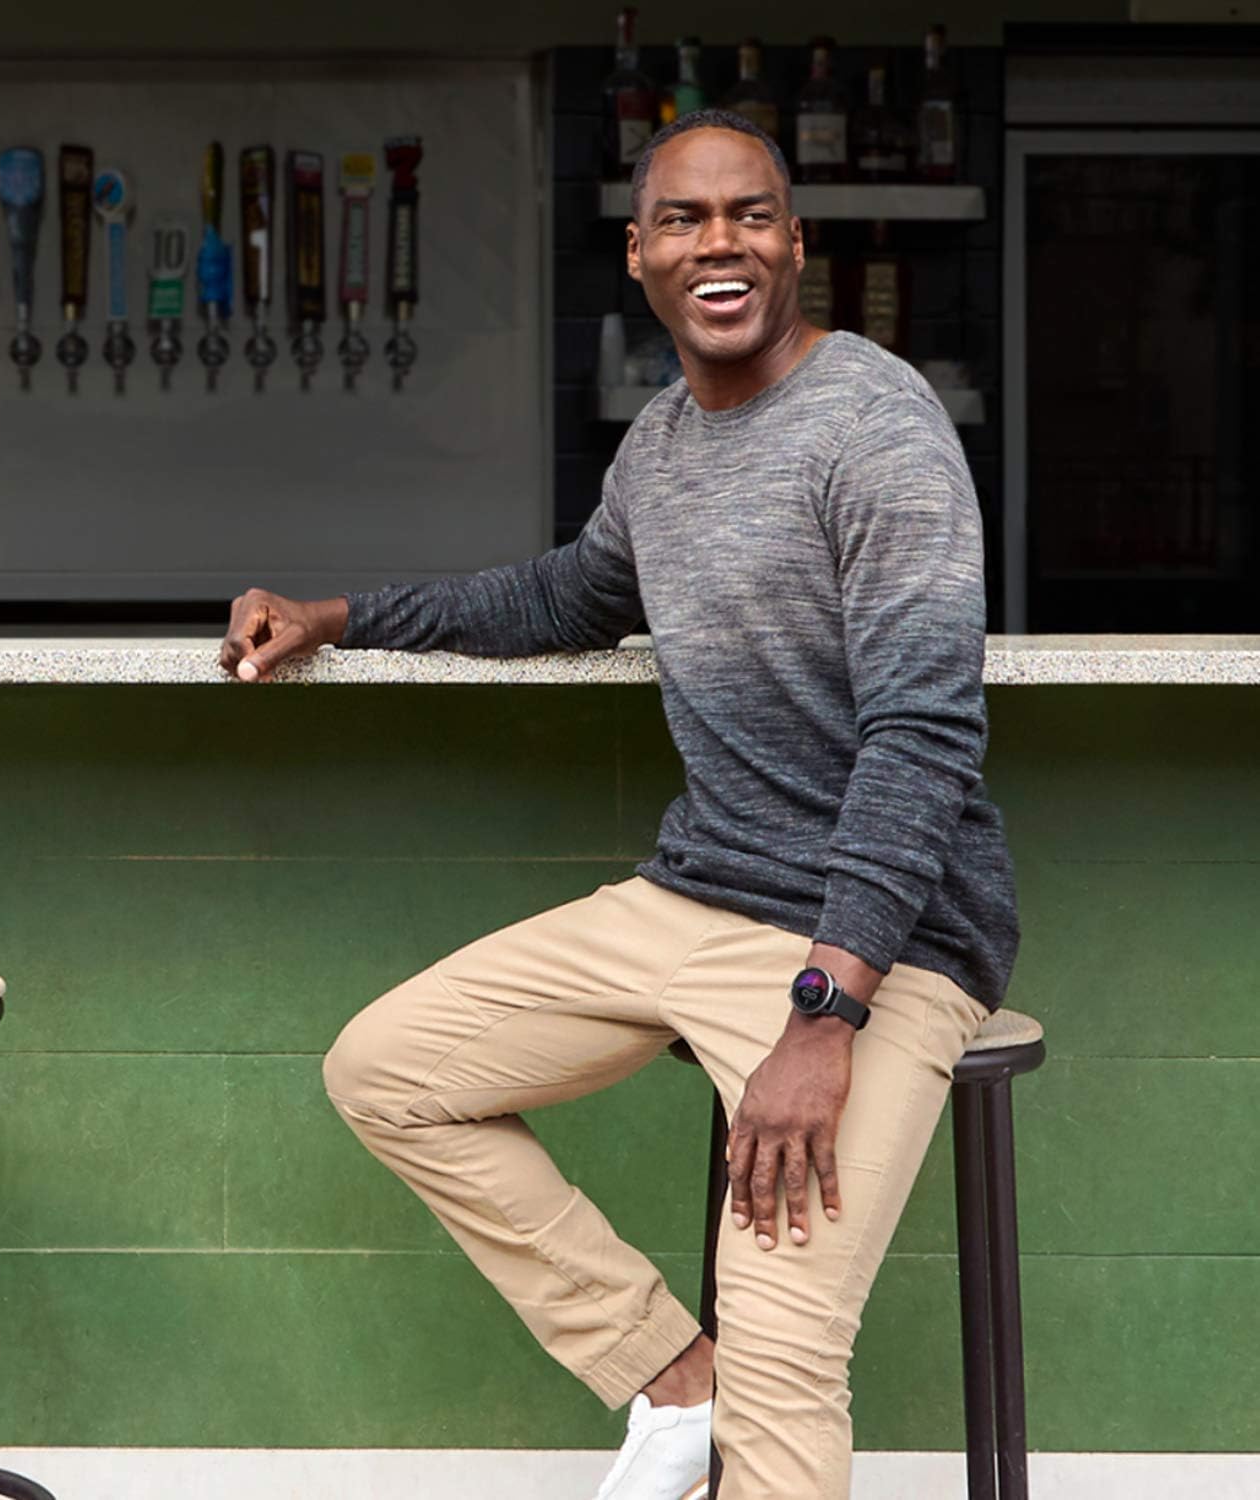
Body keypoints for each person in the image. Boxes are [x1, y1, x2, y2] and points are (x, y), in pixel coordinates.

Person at [219, 109, 1019, 1500]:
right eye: (687, 220)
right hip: (695, 894)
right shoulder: (660, 445)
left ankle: (733, 1399)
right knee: (389, 1074)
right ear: (641, 254)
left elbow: (925, 731)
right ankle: (672, 1379)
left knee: (788, 1375)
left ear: (796, 243)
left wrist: (824, 1015)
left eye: (751, 215)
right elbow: (564, 596)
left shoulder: (877, 424)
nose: (722, 244)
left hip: (876, 942)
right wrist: (337, 616)